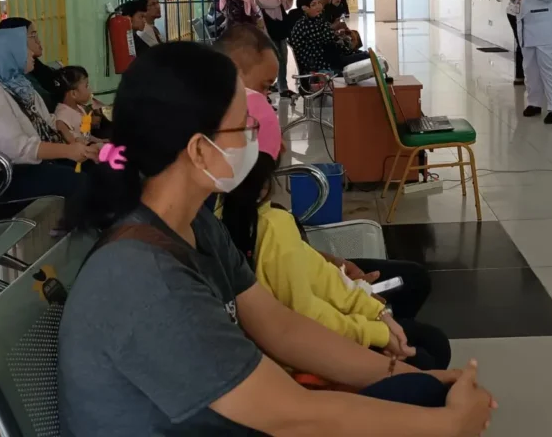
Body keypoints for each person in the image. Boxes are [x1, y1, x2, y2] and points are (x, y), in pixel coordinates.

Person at [58, 42, 494, 435]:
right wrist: (446, 425)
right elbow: (289, 415)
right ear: (198, 149)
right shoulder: (142, 278)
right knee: (423, 410)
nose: (255, 133)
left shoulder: (194, 223)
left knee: (419, 391)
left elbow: (281, 328)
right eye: (241, 125)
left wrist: (402, 373)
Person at [220, 89, 451, 371]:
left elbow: (314, 273)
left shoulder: (233, 217)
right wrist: (373, 330)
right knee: (429, 349)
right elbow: (306, 315)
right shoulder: (270, 228)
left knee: (421, 322)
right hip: (306, 355)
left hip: (308, 333)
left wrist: (374, 312)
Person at [0, 28, 97, 201]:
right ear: (6, 53)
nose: (31, 52)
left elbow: (47, 123)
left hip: (17, 168)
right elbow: (15, 148)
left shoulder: (17, 86)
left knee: (89, 167)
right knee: (76, 180)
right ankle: (78, 227)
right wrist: (68, 151)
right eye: (23, 47)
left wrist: (76, 141)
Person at [288, 0, 369, 76]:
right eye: (313, 4)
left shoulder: (316, 19)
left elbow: (328, 35)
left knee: (365, 56)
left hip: (329, 58)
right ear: (305, 8)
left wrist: (338, 34)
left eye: (319, 3)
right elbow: (327, 37)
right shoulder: (304, 25)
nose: (319, 6)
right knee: (366, 58)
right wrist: (336, 31)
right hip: (320, 66)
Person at [251, 0, 295, 98]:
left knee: (283, 57)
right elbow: (263, 2)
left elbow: (281, 5)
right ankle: (265, 90)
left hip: (279, 22)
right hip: (267, 23)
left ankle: (283, 87)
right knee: (271, 58)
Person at [0, 17, 60, 110]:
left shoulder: (35, 66)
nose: (38, 41)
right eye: (33, 36)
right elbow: (46, 102)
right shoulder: (15, 75)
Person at [53, 65, 101, 145]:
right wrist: (74, 141)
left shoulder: (79, 108)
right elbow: (60, 126)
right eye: (86, 86)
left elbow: (86, 135)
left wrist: (99, 141)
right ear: (74, 94)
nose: (90, 90)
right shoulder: (63, 113)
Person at [506, 0, 525, 86]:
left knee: (523, 43)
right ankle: (520, 76)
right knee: (521, 43)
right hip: (515, 13)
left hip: (520, 13)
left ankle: (522, 75)